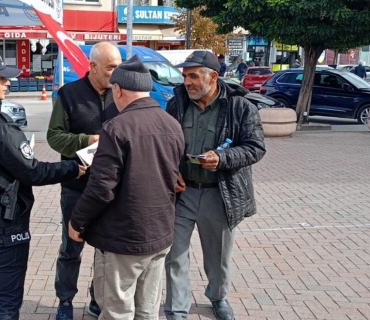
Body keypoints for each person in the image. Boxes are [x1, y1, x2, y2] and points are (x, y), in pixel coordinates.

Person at [0, 49, 86, 320]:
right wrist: (72, 168)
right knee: (6, 301)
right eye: (2, 78)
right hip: (2, 222)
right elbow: (32, 171)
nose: (9, 83)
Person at [68, 55, 185, 319]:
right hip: (160, 232)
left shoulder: (116, 127)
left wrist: (77, 221)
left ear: (119, 90)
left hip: (123, 237)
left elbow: (102, 188)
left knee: (117, 310)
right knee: (148, 310)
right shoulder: (172, 124)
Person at [164, 50, 266, 320]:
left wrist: (223, 158)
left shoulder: (240, 107)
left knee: (217, 257)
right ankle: (176, 308)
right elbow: (165, 143)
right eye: (185, 76)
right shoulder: (176, 104)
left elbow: (256, 148)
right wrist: (171, 171)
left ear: (213, 76)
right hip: (182, 193)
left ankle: (218, 297)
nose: (188, 82)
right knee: (175, 255)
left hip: (219, 194)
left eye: (194, 76)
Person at [47, 41, 122, 319]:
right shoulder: (69, 94)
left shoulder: (121, 94)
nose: (116, 73)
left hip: (111, 188)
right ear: (92, 67)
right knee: (71, 248)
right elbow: (54, 136)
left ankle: (96, 298)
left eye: (119, 66)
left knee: (105, 251)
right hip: (76, 187)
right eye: (111, 67)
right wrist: (86, 140)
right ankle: (65, 301)